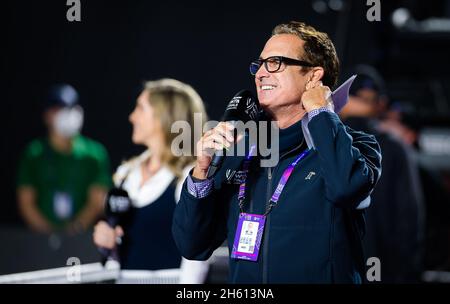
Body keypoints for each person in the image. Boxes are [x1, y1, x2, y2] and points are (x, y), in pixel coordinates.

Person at [172, 21, 382, 283]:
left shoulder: (358, 146)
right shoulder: (238, 151)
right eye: (259, 65)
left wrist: (320, 112)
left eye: (275, 63)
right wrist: (201, 173)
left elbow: (344, 188)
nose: (260, 73)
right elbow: (192, 245)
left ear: (313, 76)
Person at [93, 79, 209, 283]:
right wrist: (107, 243)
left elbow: (196, 256)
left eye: (140, 108)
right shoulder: (126, 173)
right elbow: (121, 256)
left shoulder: (188, 176)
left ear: (164, 117)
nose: (131, 117)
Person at [340, 65, 425, 283]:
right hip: (378, 267)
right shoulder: (394, 147)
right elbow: (409, 219)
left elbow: (408, 216)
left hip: (339, 265)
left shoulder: (321, 141)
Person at [16, 84, 112, 234]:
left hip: (82, 240)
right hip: (40, 240)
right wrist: (49, 236)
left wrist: (73, 231)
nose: (65, 115)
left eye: (70, 109)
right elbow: (26, 202)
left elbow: (97, 201)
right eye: (58, 109)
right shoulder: (34, 153)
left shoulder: (95, 154)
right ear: (47, 115)